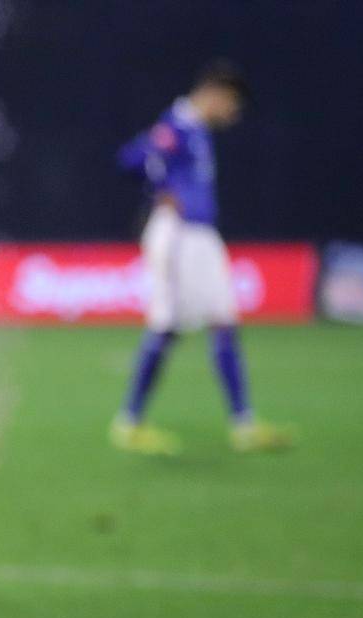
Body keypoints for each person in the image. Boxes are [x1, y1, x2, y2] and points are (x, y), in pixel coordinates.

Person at [111, 61, 294, 455]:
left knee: (225, 321)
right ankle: (129, 422)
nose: (233, 114)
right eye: (232, 104)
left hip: (201, 237)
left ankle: (244, 424)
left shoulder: (194, 129)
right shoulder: (176, 125)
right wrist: (161, 187)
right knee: (167, 325)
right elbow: (130, 159)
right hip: (179, 234)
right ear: (215, 92)